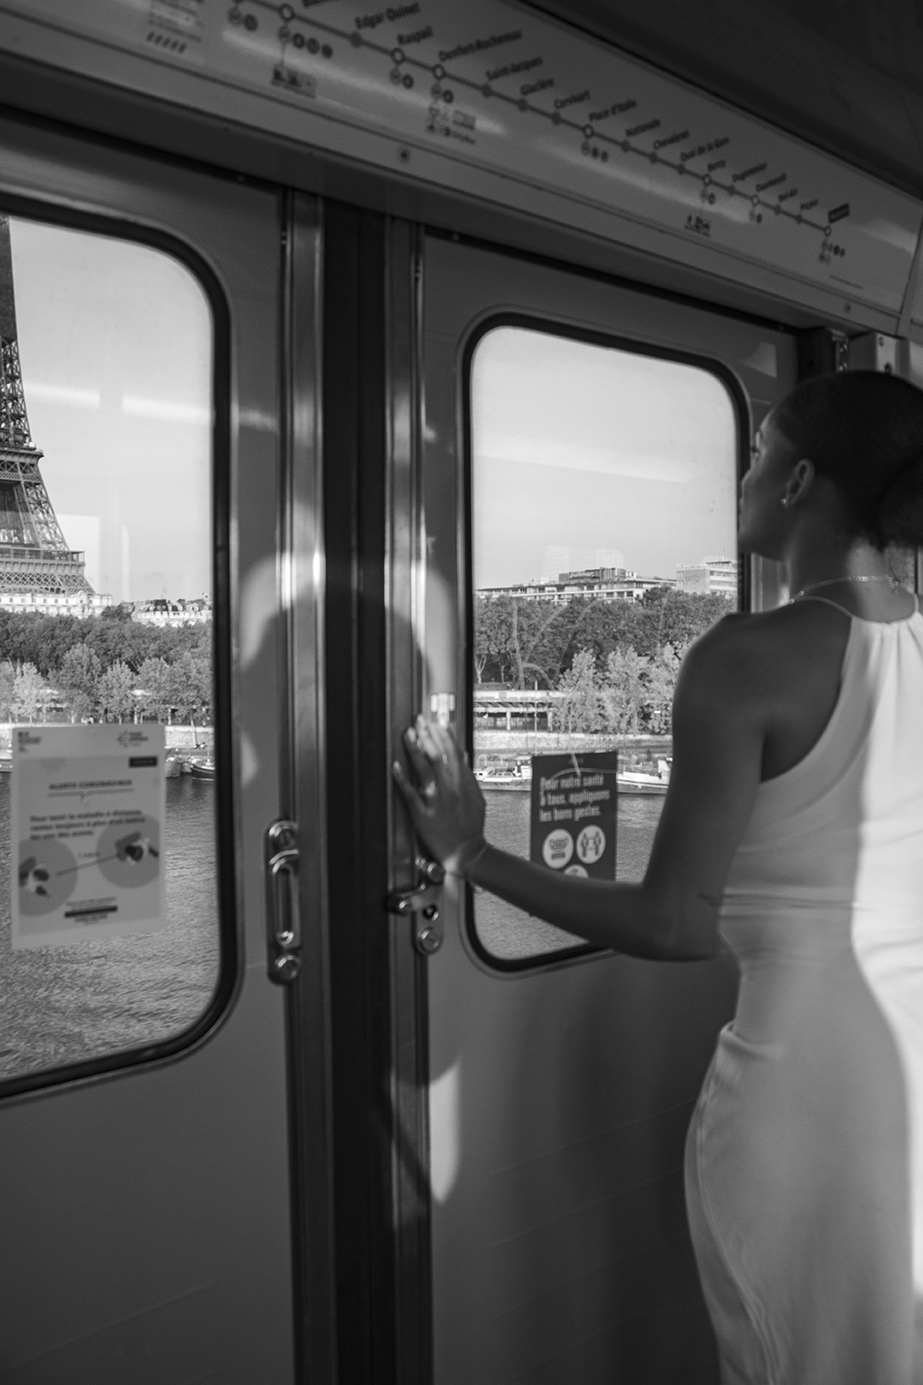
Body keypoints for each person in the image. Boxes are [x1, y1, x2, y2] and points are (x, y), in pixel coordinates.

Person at [393, 369, 923, 1384]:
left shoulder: (748, 658)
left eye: (759, 449)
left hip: (803, 1089)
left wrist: (470, 851)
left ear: (802, 479)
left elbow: (679, 921)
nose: (743, 471)